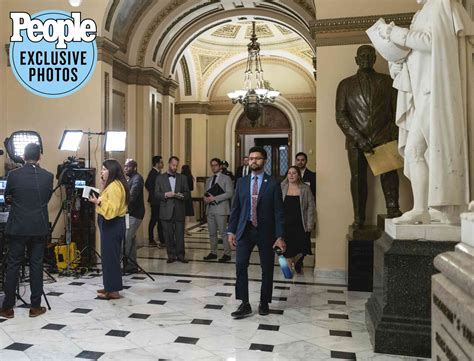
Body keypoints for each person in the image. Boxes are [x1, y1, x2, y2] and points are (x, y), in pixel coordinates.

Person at [378, 0, 472, 224]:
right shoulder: (421, 13)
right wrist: (398, 61)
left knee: (435, 149)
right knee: (413, 152)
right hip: (422, 91)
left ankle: (445, 206)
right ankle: (422, 207)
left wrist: (394, 32)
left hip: (434, 90)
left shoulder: (441, 4)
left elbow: (434, 43)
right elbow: (417, 50)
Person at [336, 45, 402, 227]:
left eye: (369, 55)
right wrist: (358, 138)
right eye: (362, 55)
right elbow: (341, 115)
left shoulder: (388, 82)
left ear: (374, 59)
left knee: (389, 176)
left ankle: (393, 209)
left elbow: (396, 112)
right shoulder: (345, 85)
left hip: (383, 138)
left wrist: (391, 136)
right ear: (356, 60)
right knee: (358, 180)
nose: (366, 58)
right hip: (356, 142)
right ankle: (359, 218)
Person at [227, 146, 285, 319]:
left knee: (266, 268)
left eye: (257, 158)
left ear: (264, 161)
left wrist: (280, 236)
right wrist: (231, 231)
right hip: (245, 230)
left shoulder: (273, 183)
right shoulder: (241, 182)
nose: (253, 161)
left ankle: (264, 301)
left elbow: (279, 212)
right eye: (251, 158)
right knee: (240, 266)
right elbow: (236, 208)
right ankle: (244, 303)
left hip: (265, 232)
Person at [0, 143, 53, 319]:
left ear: (23, 156)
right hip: (39, 227)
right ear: (40, 157)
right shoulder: (48, 176)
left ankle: (7, 308)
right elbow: (46, 199)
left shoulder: (13, 175)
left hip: (18, 227)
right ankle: (35, 307)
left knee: (13, 264)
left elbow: (8, 197)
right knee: (36, 265)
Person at [89, 159, 129, 300]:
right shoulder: (111, 185)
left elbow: (112, 210)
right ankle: (109, 286)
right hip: (109, 225)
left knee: (111, 258)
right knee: (107, 257)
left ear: (112, 171)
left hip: (112, 224)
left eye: (105, 169)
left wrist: (97, 201)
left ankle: (114, 291)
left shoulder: (115, 187)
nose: (102, 171)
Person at [280, 166, 316, 274]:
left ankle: (295, 262)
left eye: (294, 173)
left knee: (302, 249)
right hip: (285, 224)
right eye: (289, 173)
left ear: (298, 175)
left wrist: (310, 223)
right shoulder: (281, 187)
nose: (291, 175)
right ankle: (288, 271)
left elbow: (311, 206)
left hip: (301, 223)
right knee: (287, 249)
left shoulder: (305, 188)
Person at [155, 156, 190, 263]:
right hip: (166, 210)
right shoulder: (160, 178)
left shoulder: (182, 178)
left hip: (179, 209)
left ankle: (181, 255)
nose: (175, 167)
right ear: (169, 164)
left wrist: (181, 195)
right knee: (168, 234)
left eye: (176, 165)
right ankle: (171, 255)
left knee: (180, 234)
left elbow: (187, 193)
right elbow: (156, 194)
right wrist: (166, 194)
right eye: (173, 165)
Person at [203, 158, 234, 262]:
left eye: (215, 165)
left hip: (221, 209)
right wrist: (206, 199)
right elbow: (205, 194)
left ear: (220, 166)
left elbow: (230, 193)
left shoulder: (226, 178)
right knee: (212, 233)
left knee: (223, 233)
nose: (213, 167)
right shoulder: (208, 180)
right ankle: (213, 252)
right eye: (211, 165)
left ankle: (227, 253)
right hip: (210, 209)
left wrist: (215, 198)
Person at [123, 159, 144, 273]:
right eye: (125, 166)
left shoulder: (137, 179)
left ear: (134, 167)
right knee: (131, 239)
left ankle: (128, 264)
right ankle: (132, 265)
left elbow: (132, 196)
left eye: (128, 166)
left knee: (127, 239)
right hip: (129, 214)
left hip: (135, 214)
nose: (125, 168)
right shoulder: (130, 178)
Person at [145, 156, 165, 248]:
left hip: (157, 200)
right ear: (157, 163)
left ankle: (160, 239)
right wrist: (154, 193)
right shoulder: (153, 173)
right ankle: (152, 239)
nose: (162, 164)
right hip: (156, 201)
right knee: (155, 220)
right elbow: (147, 184)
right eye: (161, 162)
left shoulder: (157, 173)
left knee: (158, 220)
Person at [180, 164, 195, 236]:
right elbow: (192, 188)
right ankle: (185, 229)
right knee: (187, 213)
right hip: (188, 196)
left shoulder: (180, 177)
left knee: (181, 213)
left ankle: (180, 229)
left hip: (181, 196)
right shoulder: (190, 177)